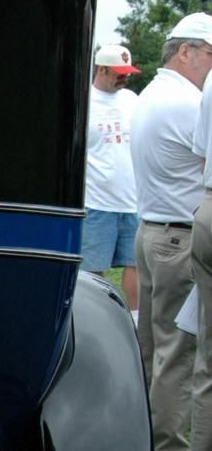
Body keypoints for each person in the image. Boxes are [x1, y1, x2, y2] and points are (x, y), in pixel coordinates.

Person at [130, 13, 212, 451]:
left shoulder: (152, 94)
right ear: (187, 51)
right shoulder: (186, 101)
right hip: (178, 235)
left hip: (154, 230)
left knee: (154, 348)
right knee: (178, 353)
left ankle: (145, 442)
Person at [83, 43, 140, 313]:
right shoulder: (85, 102)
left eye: (127, 72)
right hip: (97, 200)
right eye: (118, 72)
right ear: (102, 69)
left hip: (133, 199)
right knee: (94, 270)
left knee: (135, 264)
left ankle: (136, 321)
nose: (124, 77)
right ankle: (95, 319)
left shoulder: (131, 100)